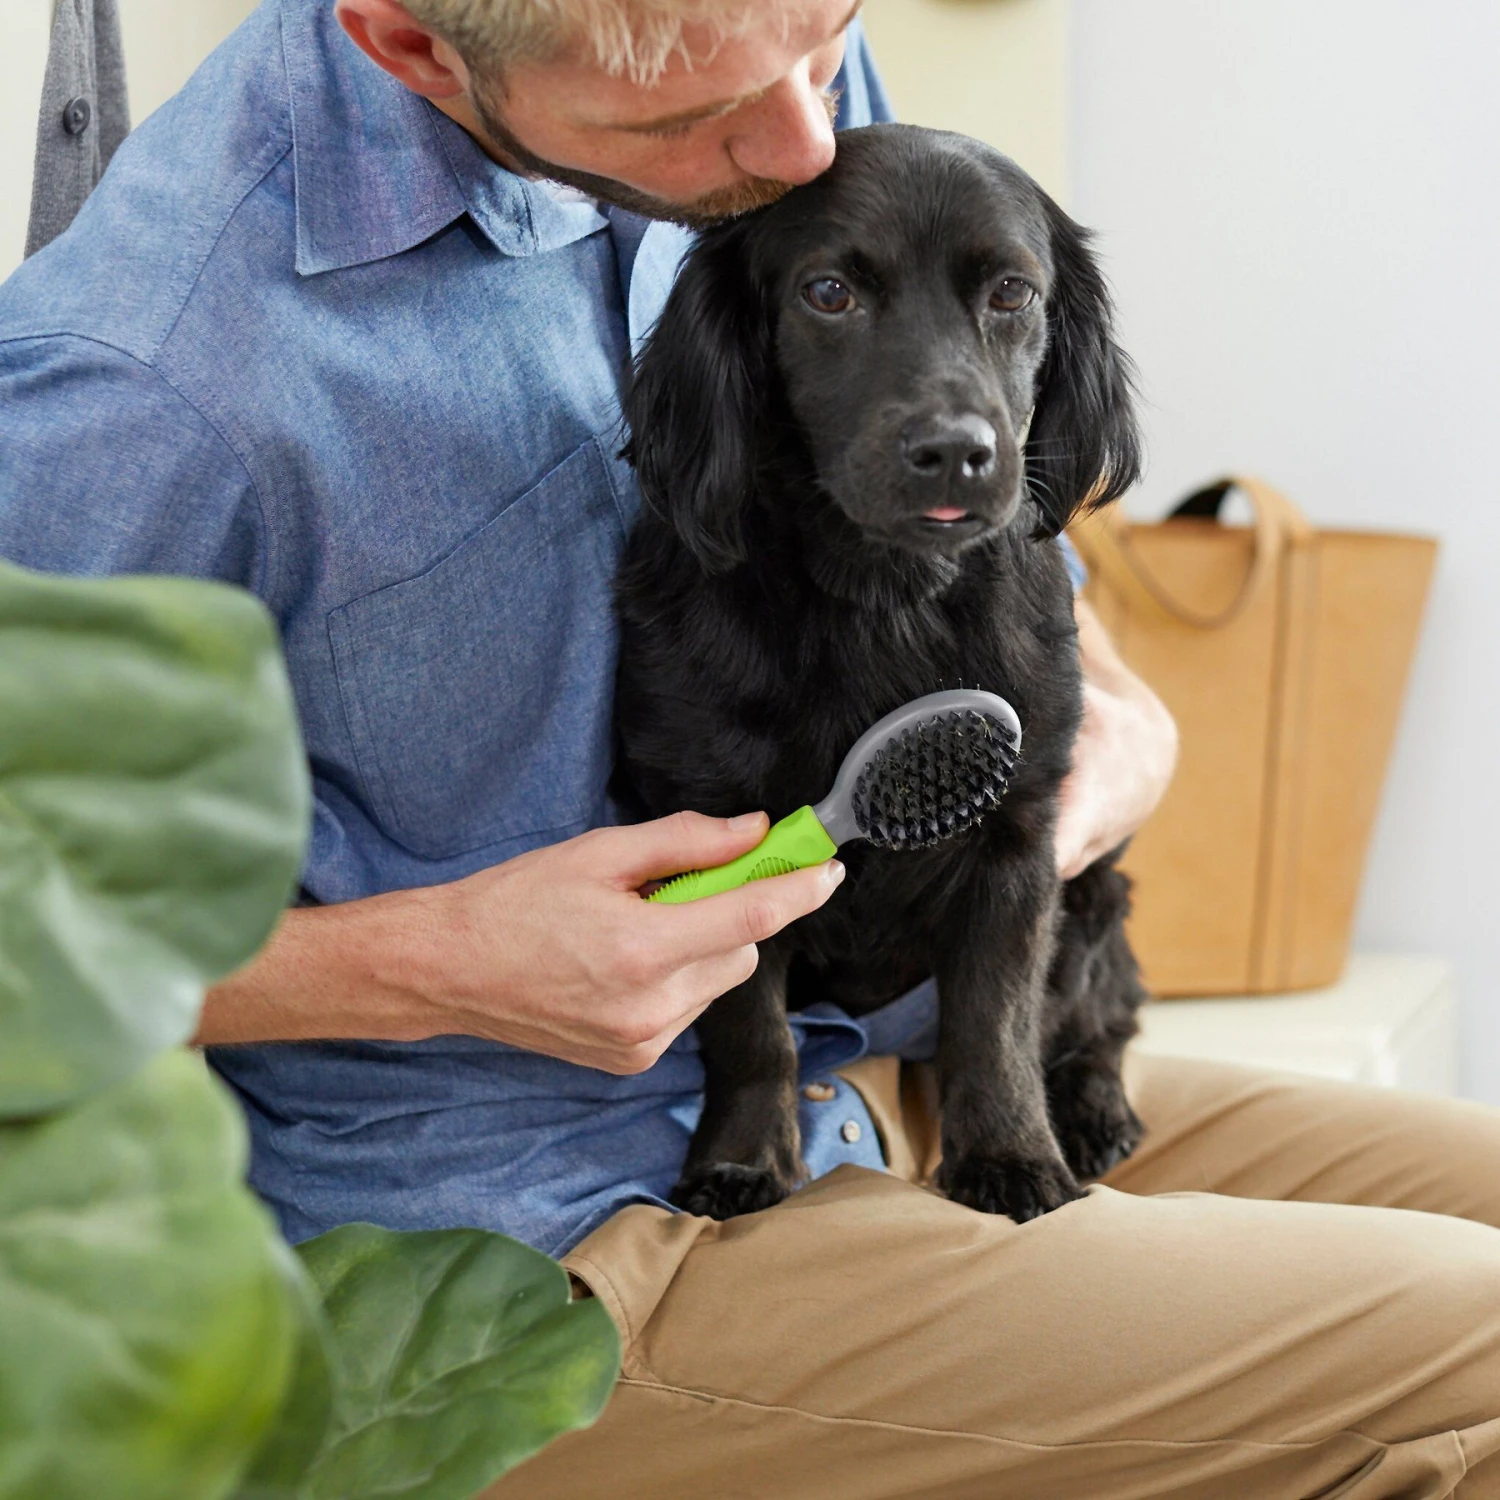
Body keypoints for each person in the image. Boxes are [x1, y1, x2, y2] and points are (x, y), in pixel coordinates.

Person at [0, 2, 1496, 1494]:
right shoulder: (148, 376)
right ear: (414, 44)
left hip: (934, 1066)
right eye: (680, 121)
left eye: (826, 34)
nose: (801, 137)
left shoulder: (744, 61)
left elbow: (984, 496)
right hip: (556, 1234)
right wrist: (432, 958)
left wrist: (1117, 713)